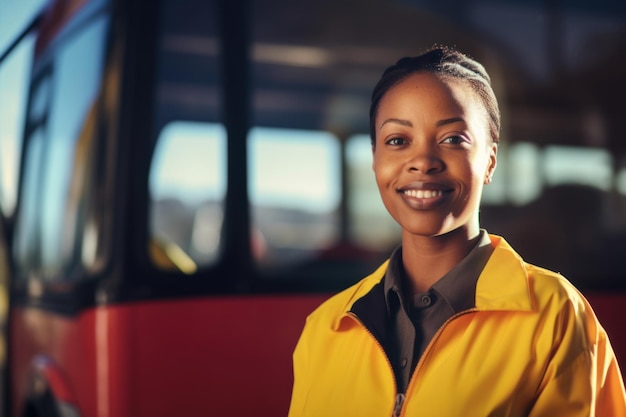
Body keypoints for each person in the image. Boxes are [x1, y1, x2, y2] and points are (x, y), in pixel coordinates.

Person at [287, 46, 626, 416]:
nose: (422, 162)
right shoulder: (326, 327)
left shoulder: (555, 315)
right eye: (398, 141)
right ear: (375, 160)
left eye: (453, 139)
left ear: (490, 160)